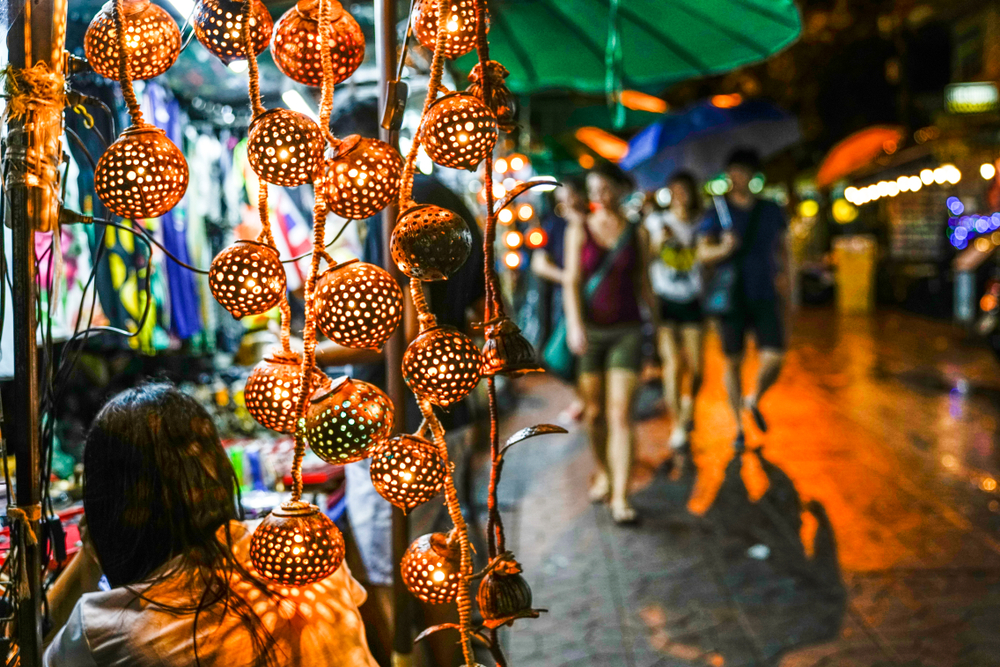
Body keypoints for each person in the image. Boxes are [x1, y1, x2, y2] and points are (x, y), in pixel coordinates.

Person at [44, 383, 377, 667]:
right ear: (217, 470)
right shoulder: (300, 548)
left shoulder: (106, 627)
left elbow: (34, 647)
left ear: (107, 505)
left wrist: (90, 551)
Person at [563, 163, 656, 524]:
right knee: (596, 413)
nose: (599, 195)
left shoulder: (638, 232)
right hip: (591, 332)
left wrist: (659, 329)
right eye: (593, 189)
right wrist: (574, 325)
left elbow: (644, 282)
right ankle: (603, 469)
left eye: (605, 188)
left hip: (628, 330)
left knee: (621, 413)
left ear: (619, 189)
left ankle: (621, 495)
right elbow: (571, 282)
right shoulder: (579, 230)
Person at [697, 149, 787, 452]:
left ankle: (754, 399)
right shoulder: (717, 211)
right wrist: (723, 248)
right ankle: (737, 426)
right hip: (731, 297)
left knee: (774, 357)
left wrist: (790, 287)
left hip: (764, 292)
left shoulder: (771, 209)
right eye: (734, 171)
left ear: (754, 176)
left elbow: (784, 251)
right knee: (732, 362)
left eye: (745, 171)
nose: (739, 177)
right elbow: (702, 253)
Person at [645, 171, 705, 451]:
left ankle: (688, 402)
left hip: (693, 298)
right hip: (664, 299)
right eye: (676, 189)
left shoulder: (701, 224)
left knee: (696, 368)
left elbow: (707, 258)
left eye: (686, 189)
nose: (681, 195)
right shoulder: (656, 222)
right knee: (673, 364)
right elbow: (646, 258)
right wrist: (659, 242)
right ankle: (678, 424)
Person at [532, 175, 588, 422]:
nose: (567, 199)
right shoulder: (554, 225)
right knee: (563, 354)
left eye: (572, 193)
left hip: (594, 297)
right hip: (564, 299)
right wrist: (568, 277)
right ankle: (582, 398)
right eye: (562, 195)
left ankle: (590, 399)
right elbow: (539, 263)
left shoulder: (594, 222)